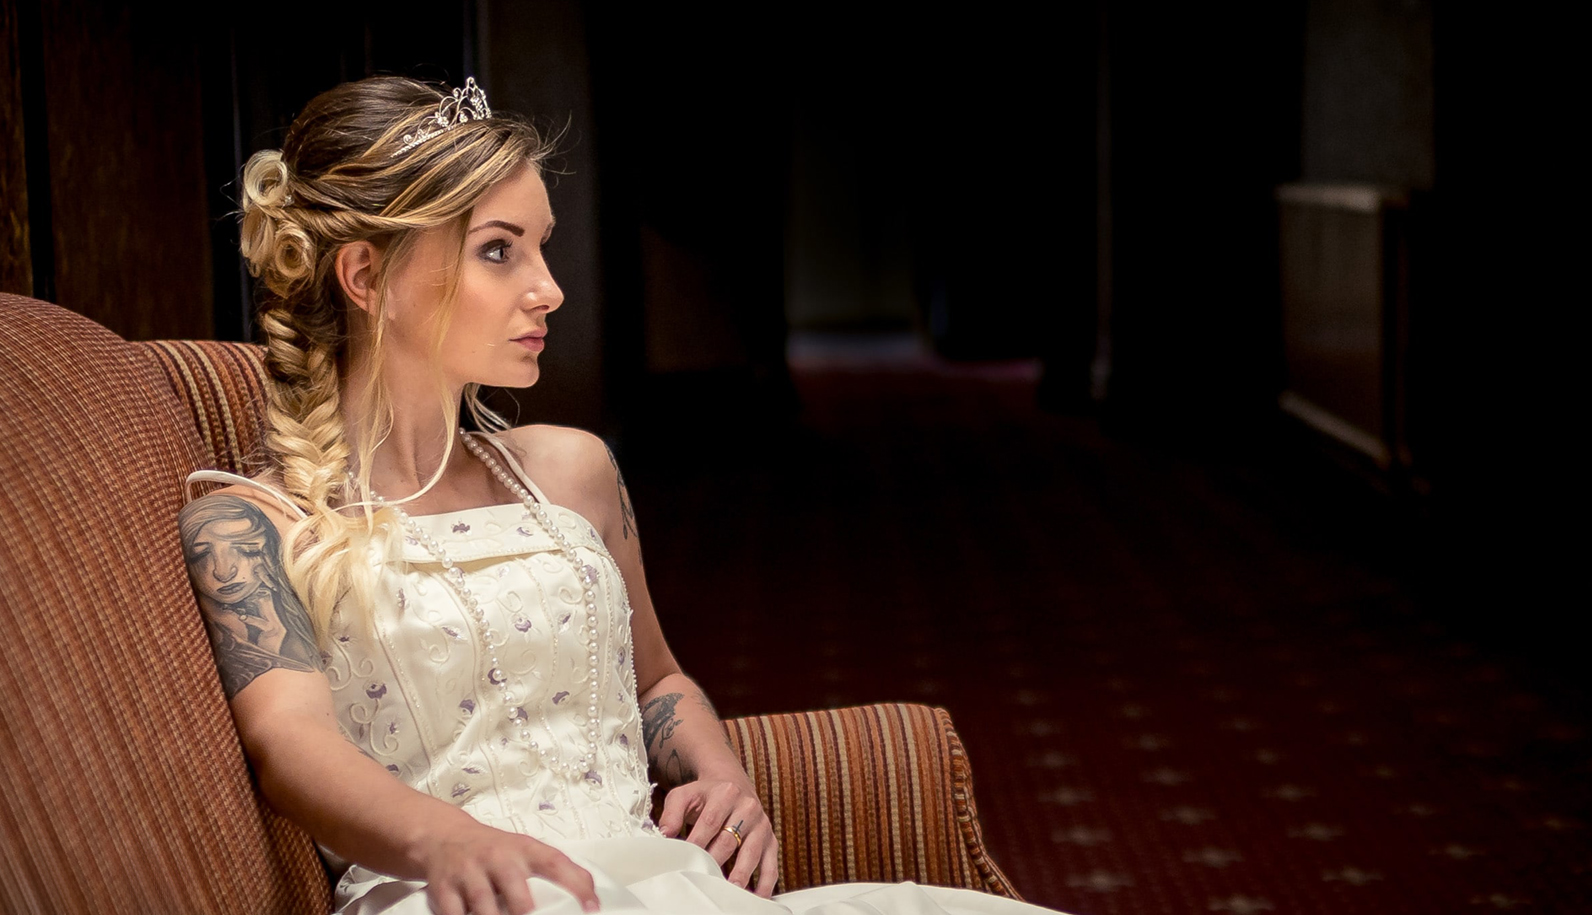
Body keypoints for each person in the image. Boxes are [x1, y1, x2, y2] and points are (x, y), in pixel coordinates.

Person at [176, 75, 1069, 915]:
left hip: (655, 881)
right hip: (460, 895)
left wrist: (722, 776)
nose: (549, 288)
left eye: (541, 246)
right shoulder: (250, 525)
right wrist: (448, 841)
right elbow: (291, 747)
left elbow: (660, 678)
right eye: (498, 250)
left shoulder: (572, 470)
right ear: (367, 278)